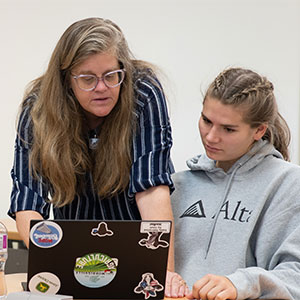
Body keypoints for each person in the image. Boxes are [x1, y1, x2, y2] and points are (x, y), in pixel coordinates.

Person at [8, 17, 185, 296]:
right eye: (88, 79)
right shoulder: (38, 109)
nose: (101, 88)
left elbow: (152, 189)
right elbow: (28, 200)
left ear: (122, 69)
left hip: (136, 248)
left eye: (111, 76)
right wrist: (56, 260)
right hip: (68, 248)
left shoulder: (144, 93)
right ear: (67, 79)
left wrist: (163, 273)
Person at [171, 67, 300, 299]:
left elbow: (296, 274)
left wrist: (241, 283)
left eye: (228, 129)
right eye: (206, 120)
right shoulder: (177, 185)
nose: (211, 136)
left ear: (259, 130)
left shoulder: (289, 184)